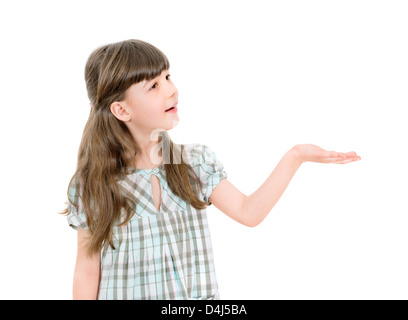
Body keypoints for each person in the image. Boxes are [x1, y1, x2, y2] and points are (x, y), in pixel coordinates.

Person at [60, 39, 361, 300]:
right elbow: (86, 270)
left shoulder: (193, 164)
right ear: (121, 109)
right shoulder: (95, 184)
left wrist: (295, 156)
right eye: (153, 86)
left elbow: (248, 211)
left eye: (167, 76)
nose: (171, 90)